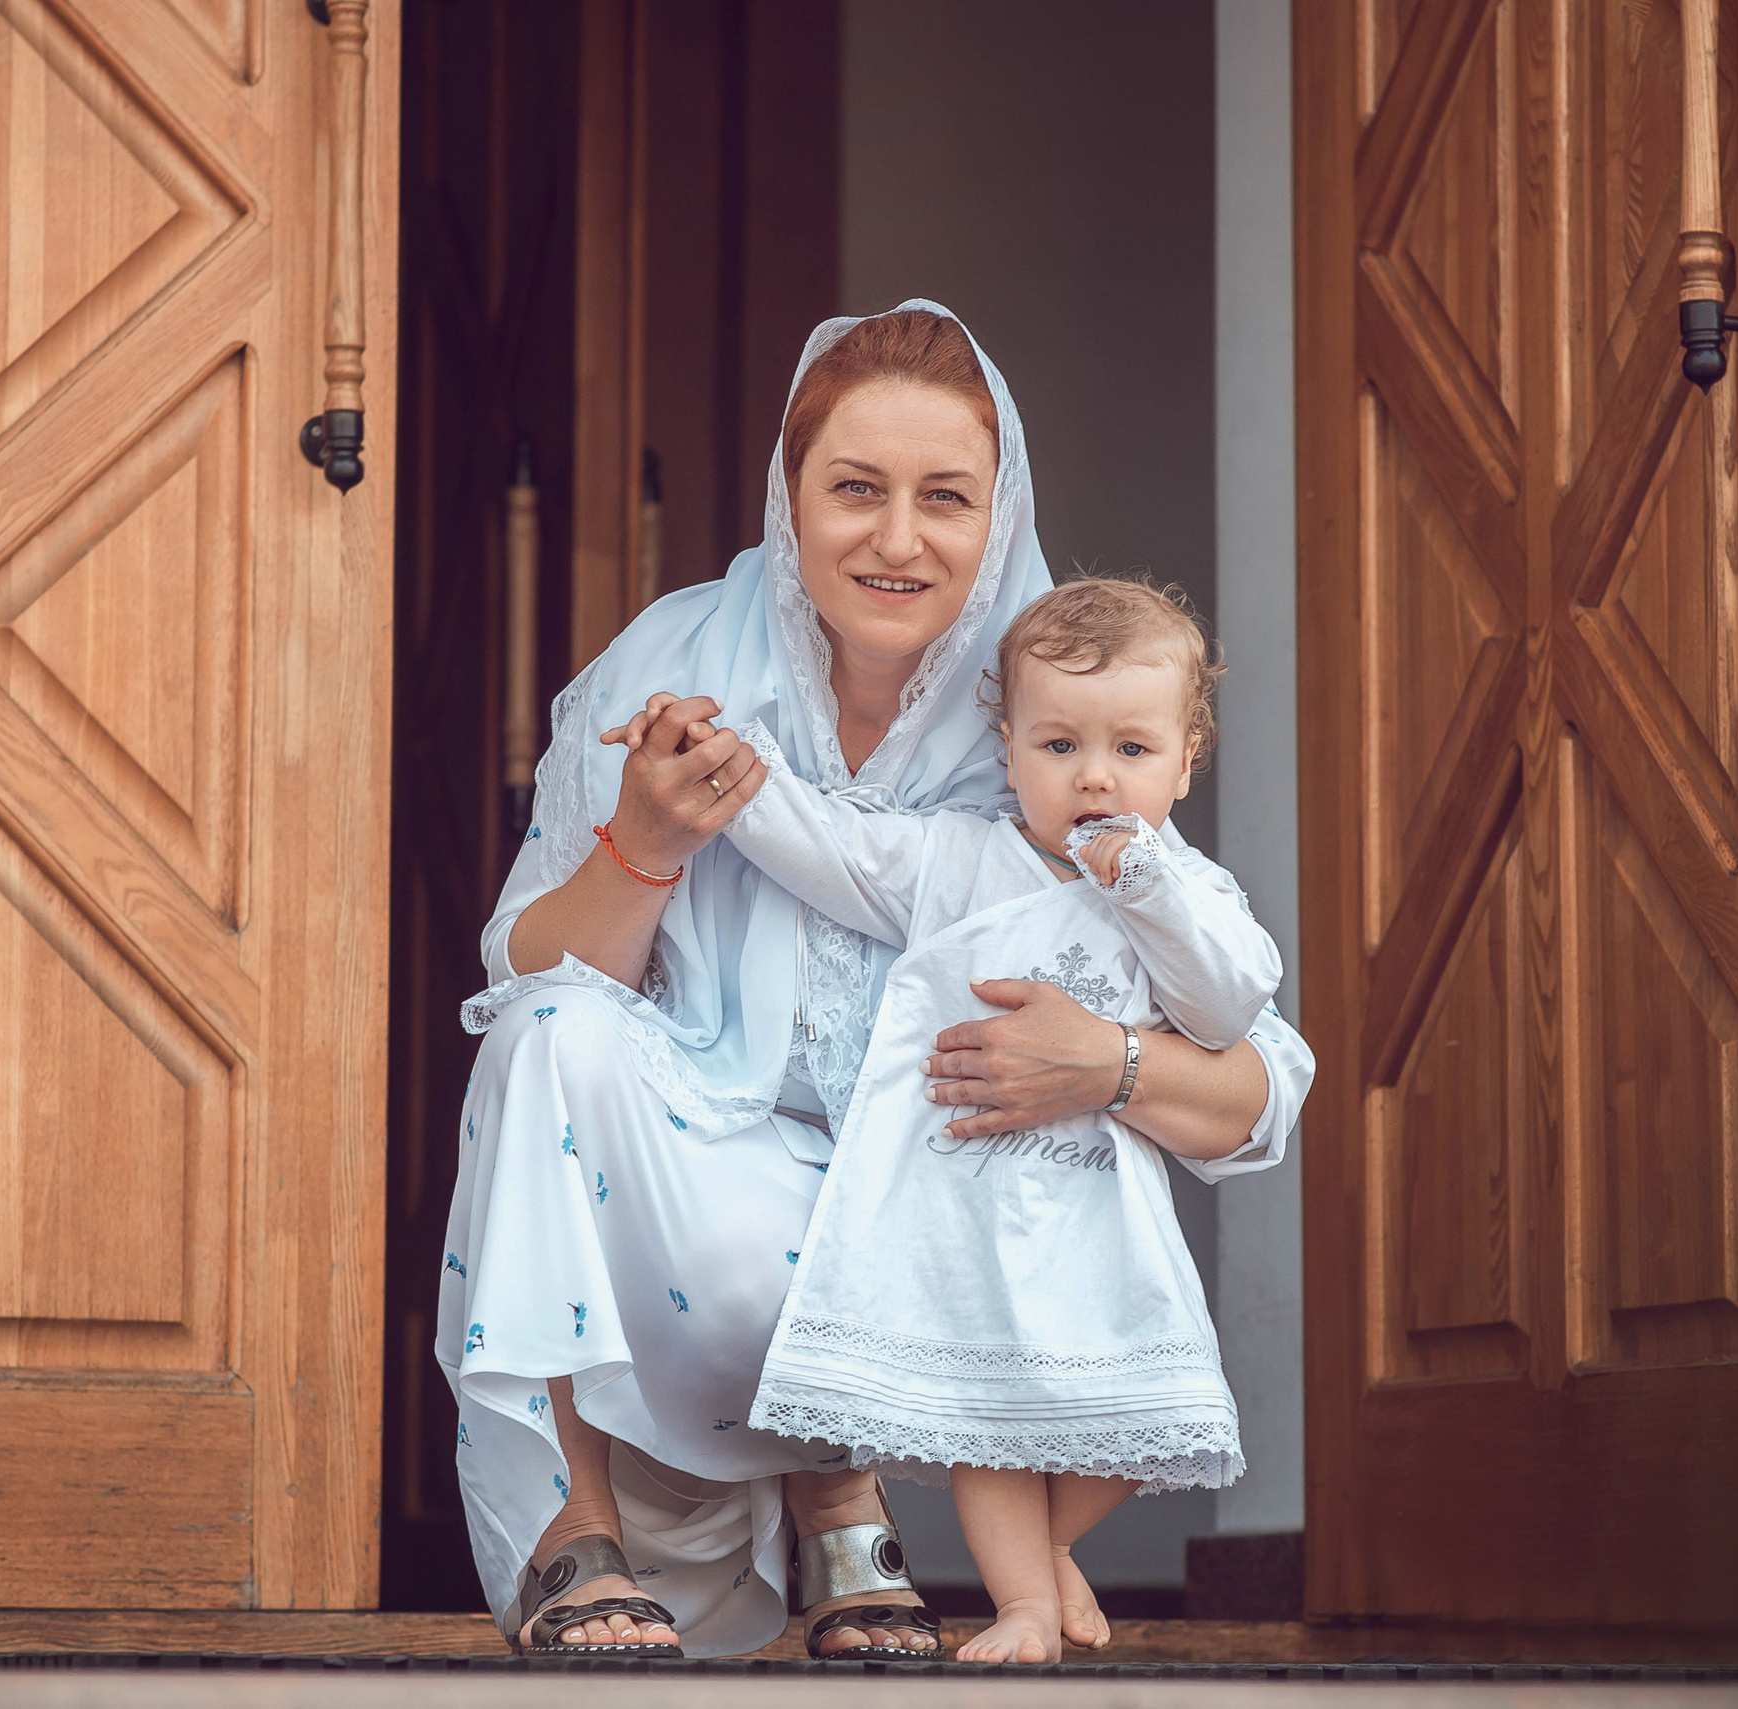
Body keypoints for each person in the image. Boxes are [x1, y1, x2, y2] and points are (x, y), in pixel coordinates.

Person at [435, 303, 1313, 1660]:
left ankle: (845, 1496)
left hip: (909, 1244)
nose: (899, 540)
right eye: (855, 488)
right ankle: (576, 1519)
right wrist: (647, 846)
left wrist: (1110, 1065)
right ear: (791, 501)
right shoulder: (673, 668)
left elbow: (1260, 1074)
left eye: (945, 498)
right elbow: (521, 972)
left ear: (998, 509)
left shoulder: (1054, 709)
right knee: (549, 1027)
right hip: (686, 1210)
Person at [706, 575, 1299, 1664]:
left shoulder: (1190, 887)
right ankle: (1023, 1600)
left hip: (1095, 1212)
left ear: (1184, 757)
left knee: (1138, 1409)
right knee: (987, 1424)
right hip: (966, 1205)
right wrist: (739, 779)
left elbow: (1229, 1004)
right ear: (1009, 748)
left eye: (1130, 748)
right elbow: (831, 850)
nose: (1093, 775)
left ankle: (1048, 1550)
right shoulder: (960, 861)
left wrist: (1147, 886)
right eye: (1059, 744)